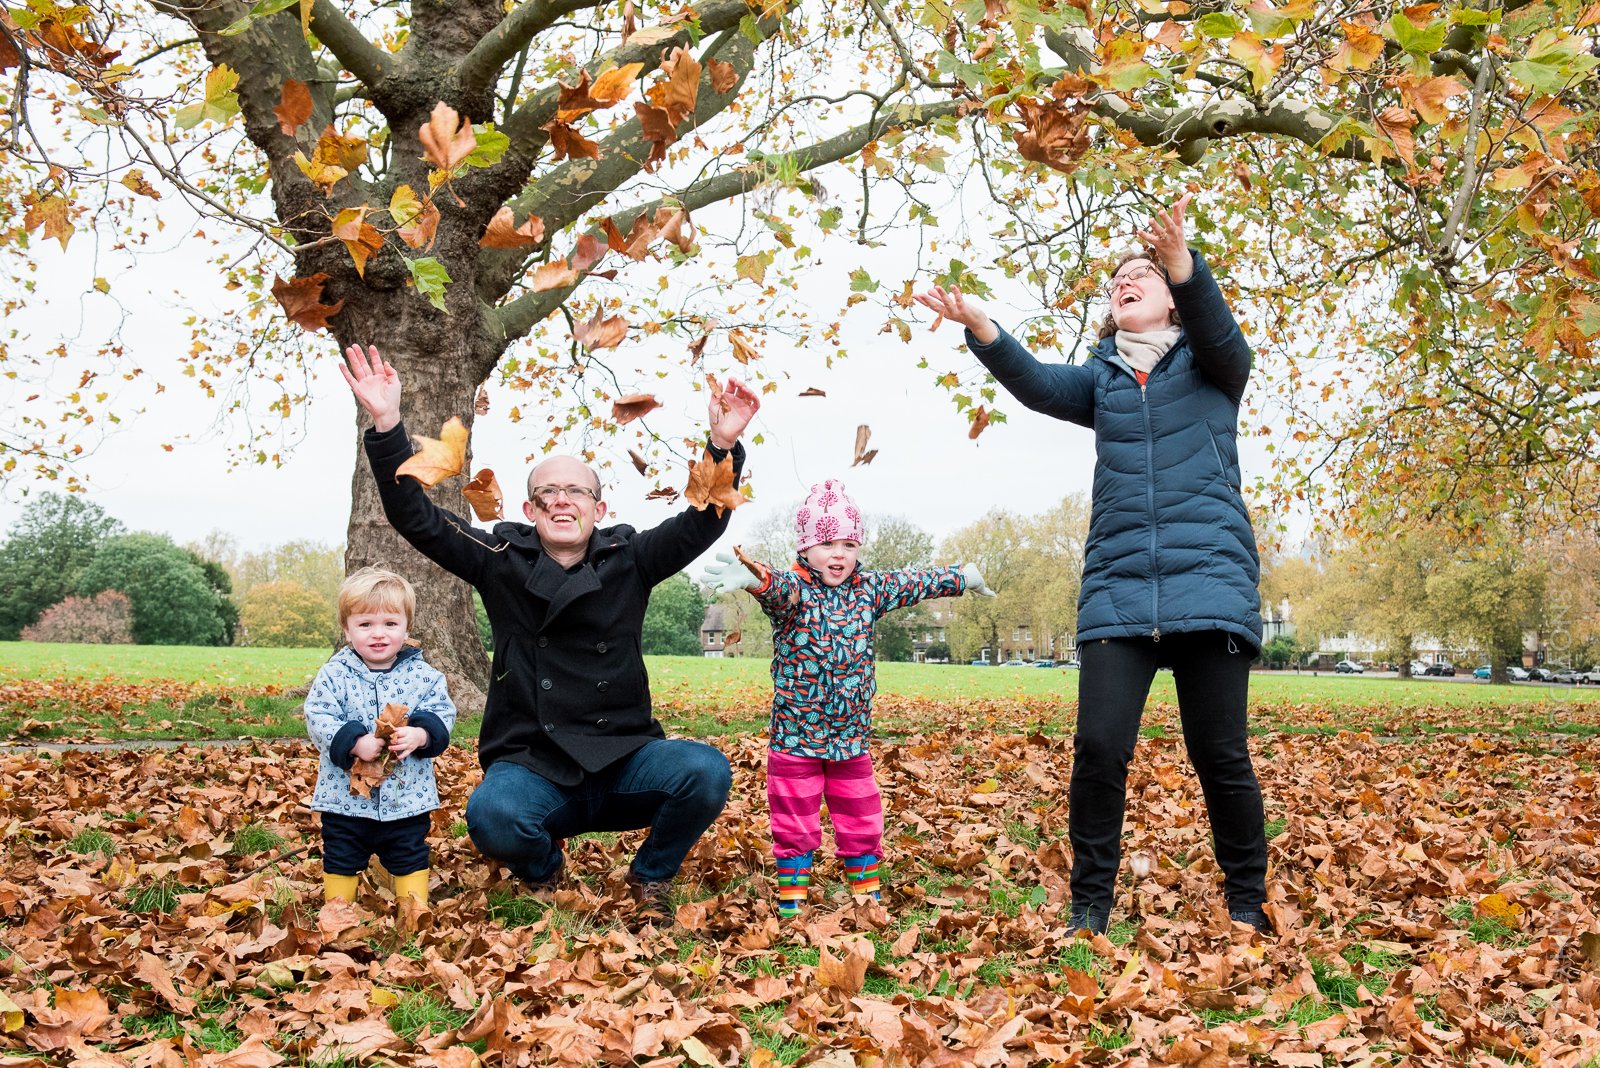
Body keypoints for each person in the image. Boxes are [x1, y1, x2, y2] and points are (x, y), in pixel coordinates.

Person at [914, 194, 1271, 935]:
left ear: (1173, 298)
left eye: (1141, 273)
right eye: (1117, 279)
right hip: (1118, 592)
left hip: (1210, 587)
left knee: (1220, 756)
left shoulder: (1214, 368)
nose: (1124, 281)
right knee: (1100, 750)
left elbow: (1223, 335)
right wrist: (982, 324)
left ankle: (1247, 903)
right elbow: (1039, 384)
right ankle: (1089, 910)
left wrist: (1184, 264)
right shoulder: (1102, 382)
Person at [340, 344, 760, 923]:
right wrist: (388, 425)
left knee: (706, 771)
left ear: (598, 505)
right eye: (548, 495)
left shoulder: (631, 557)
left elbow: (702, 522)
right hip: (533, 760)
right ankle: (544, 871)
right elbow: (417, 519)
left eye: (576, 492)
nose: (562, 501)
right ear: (530, 509)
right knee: (492, 817)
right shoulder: (498, 555)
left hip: (623, 756)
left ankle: (650, 877)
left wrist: (722, 447)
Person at [701, 479, 994, 918]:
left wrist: (962, 577)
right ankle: (793, 899)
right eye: (826, 543)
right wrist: (755, 578)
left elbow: (914, 582)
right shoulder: (795, 594)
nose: (838, 553)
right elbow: (775, 586)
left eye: (848, 543)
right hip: (796, 739)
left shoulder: (868, 590)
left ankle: (866, 891)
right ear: (804, 547)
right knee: (794, 818)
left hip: (849, 740)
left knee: (860, 816)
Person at [304, 567, 457, 909]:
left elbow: (442, 716)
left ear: (407, 628)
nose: (378, 634)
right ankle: (338, 914)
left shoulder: (426, 676)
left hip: (407, 798)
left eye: (390, 624)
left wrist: (419, 735)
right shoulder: (335, 674)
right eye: (365, 624)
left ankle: (412, 914)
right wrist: (353, 741)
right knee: (341, 854)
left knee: (409, 853)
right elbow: (318, 716)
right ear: (347, 629)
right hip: (345, 801)